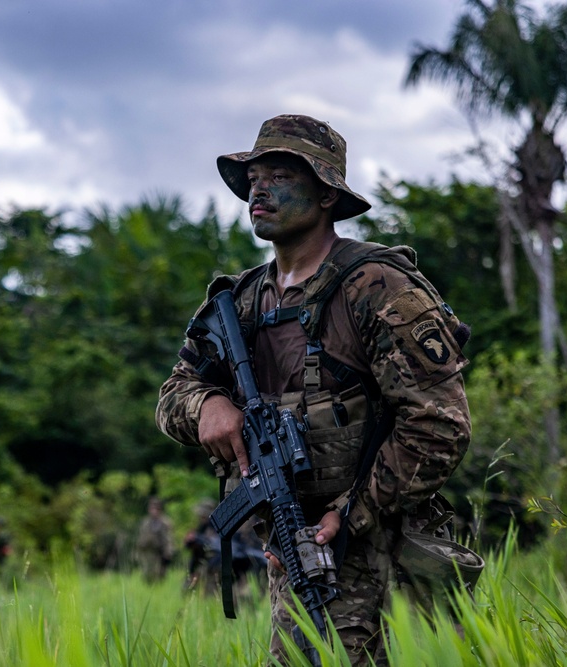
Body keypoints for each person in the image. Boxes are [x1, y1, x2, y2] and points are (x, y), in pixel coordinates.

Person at [155, 114, 471, 665]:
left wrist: (351, 512)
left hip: (381, 552)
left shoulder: (376, 287)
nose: (259, 187)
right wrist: (208, 403)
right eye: (254, 175)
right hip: (296, 549)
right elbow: (174, 393)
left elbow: (440, 423)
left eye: (280, 174)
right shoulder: (242, 303)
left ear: (327, 195)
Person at [135, 496, 175, 582]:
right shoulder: (145, 522)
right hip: (148, 552)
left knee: (160, 574)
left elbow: (169, 538)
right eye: (152, 509)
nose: (154, 511)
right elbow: (141, 537)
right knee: (147, 574)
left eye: (156, 509)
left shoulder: (165, 522)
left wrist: (168, 552)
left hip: (160, 552)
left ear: (160, 510)